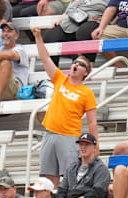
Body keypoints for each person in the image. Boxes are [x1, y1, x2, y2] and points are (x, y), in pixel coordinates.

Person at [32, 27, 98, 189]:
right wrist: (38, 37)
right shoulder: (60, 79)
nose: (76, 64)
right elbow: (45, 58)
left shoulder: (86, 92)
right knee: (49, 177)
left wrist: (95, 146)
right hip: (49, 133)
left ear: (85, 72)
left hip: (69, 136)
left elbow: (92, 123)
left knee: (69, 176)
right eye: (75, 61)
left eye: (81, 64)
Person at [43, 0, 108, 67]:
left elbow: (112, 7)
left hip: (96, 16)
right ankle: (54, 73)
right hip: (74, 16)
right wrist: (64, 15)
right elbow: (73, 4)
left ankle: (87, 68)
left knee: (84, 33)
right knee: (50, 36)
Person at [58, 133, 110, 198]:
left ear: (94, 147)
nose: (83, 147)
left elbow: (98, 192)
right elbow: (62, 189)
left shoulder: (101, 168)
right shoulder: (72, 167)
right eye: (81, 144)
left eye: (87, 145)